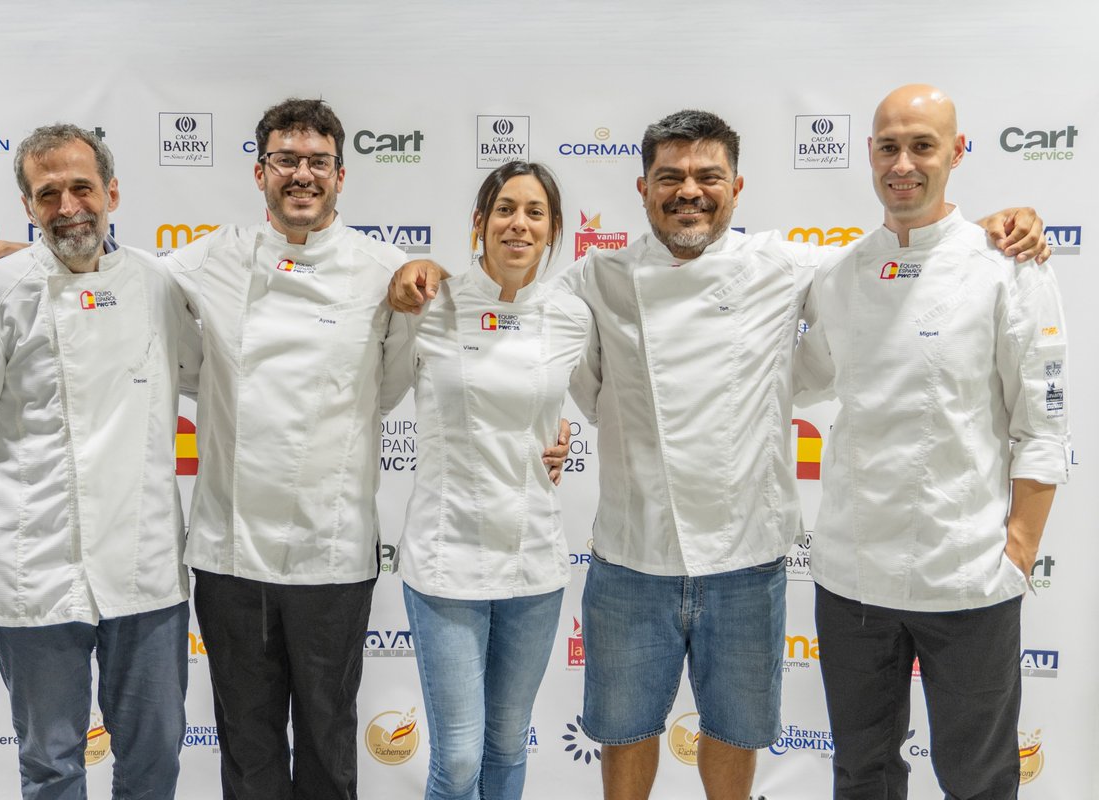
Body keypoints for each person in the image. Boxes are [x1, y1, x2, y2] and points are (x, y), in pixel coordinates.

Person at [389, 110, 1050, 800]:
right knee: (623, 732)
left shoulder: (788, 265)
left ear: (738, 186)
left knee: (734, 735)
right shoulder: (596, 279)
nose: (689, 191)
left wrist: (992, 228)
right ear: (643, 186)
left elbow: (903, 256)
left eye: (708, 176)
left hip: (745, 560)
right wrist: (426, 266)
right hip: (630, 555)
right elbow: (519, 324)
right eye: (670, 176)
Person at [0, 98, 569, 800]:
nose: (301, 175)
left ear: (341, 175)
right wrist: (27, 258)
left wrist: (546, 429)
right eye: (286, 161)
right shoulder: (207, 260)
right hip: (230, 555)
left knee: (331, 747)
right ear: (260, 172)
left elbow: (474, 349)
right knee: (246, 750)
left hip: (333, 554)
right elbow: (107, 268)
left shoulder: (388, 272)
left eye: (317, 163)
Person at [792, 84, 1069, 799]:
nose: (904, 163)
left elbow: (1041, 421)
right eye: (890, 146)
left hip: (968, 575)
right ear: (870, 156)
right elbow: (794, 377)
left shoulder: (1007, 263)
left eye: (923, 146)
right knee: (862, 774)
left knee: (978, 778)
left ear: (957, 152)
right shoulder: (840, 272)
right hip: (851, 578)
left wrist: (1017, 552)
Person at [0, 124, 200, 799]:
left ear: (112, 192)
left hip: (144, 570)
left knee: (156, 758)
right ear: (27, 205)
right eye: (48, 194)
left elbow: (220, 374)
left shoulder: (158, 284)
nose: (68, 205)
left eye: (82, 187)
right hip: (33, 566)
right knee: (51, 767)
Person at [379, 161, 591, 800]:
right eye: (505, 209)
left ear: (553, 232)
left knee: (506, 743)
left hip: (533, 562)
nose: (518, 224)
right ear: (479, 223)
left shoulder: (571, 316)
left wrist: (559, 439)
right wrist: (405, 270)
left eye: (534, 213)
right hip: (447, 561)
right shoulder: (431, 304)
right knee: (461, 757)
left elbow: (580, 408)